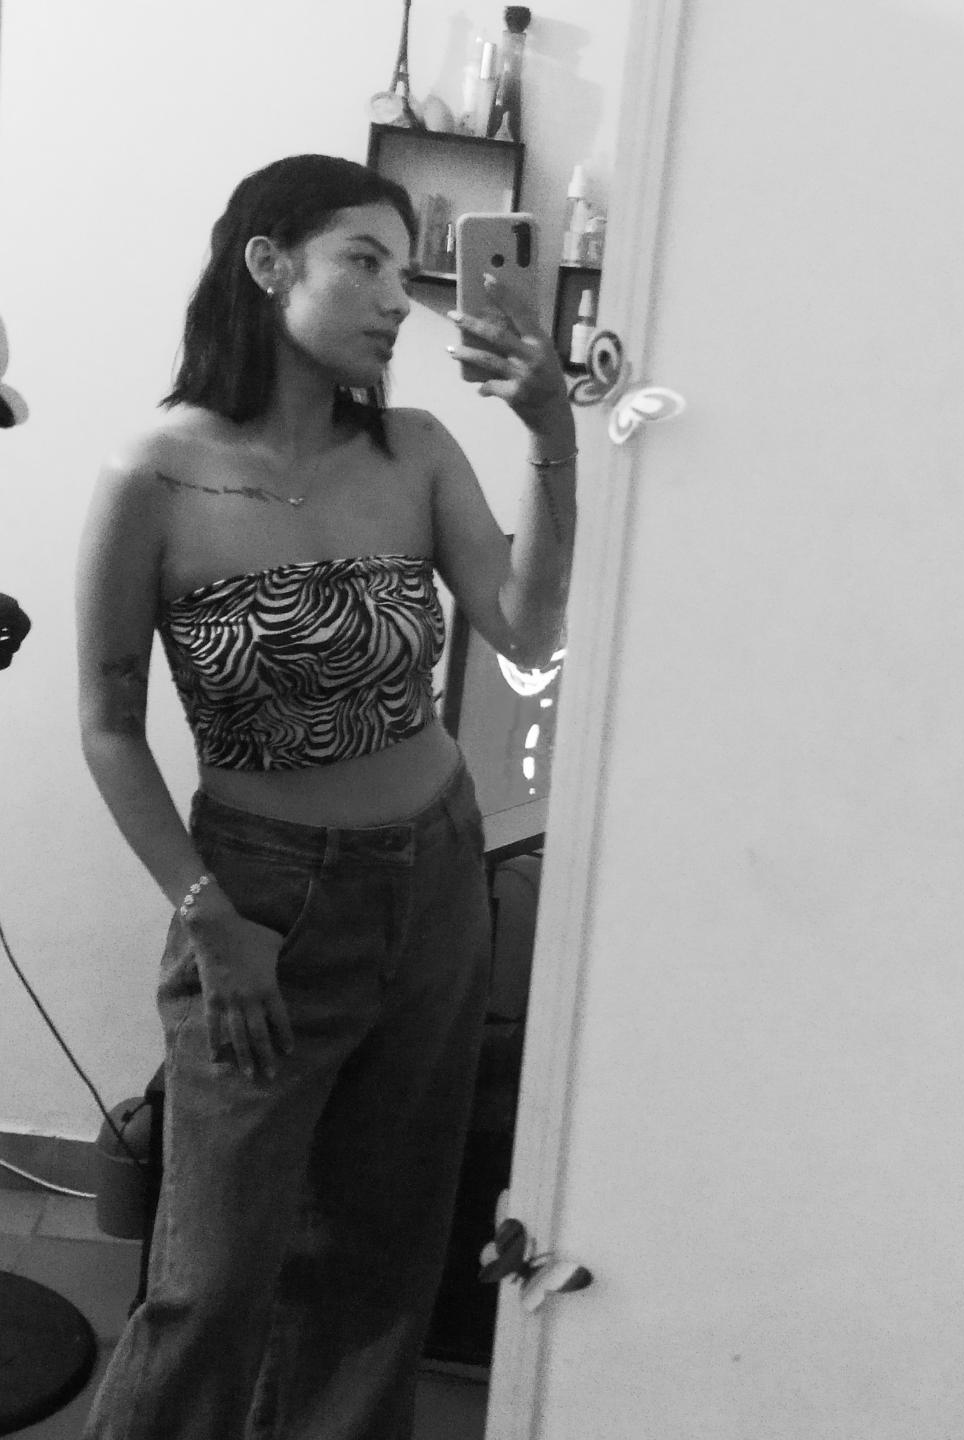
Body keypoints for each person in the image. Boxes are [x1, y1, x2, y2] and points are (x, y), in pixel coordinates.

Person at [75, 153, 576, 1440]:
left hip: (436, 878)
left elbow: (525, 633)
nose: (398, 299)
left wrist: (552, 439)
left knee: (380, 1263)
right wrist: (209, 915)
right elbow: (109, 728)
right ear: (268, 264)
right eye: (364, 260)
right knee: (211, 1281)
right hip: (262, 898)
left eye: (406, 272)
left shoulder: (415, 453)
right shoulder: (153, 477)